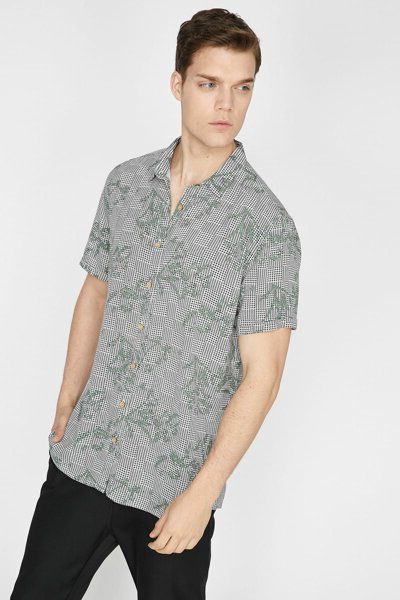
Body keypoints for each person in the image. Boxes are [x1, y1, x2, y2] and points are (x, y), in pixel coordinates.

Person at [10, 7, 301, 600]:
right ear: (178, 83)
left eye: (243, 87)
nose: (227, 104)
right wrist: (68, 402)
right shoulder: (125, 183)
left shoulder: (267, 226)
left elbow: (263, 376)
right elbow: (96, 291)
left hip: (174, 488)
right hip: (85, 459)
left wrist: (203, 495)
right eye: (209, 83)